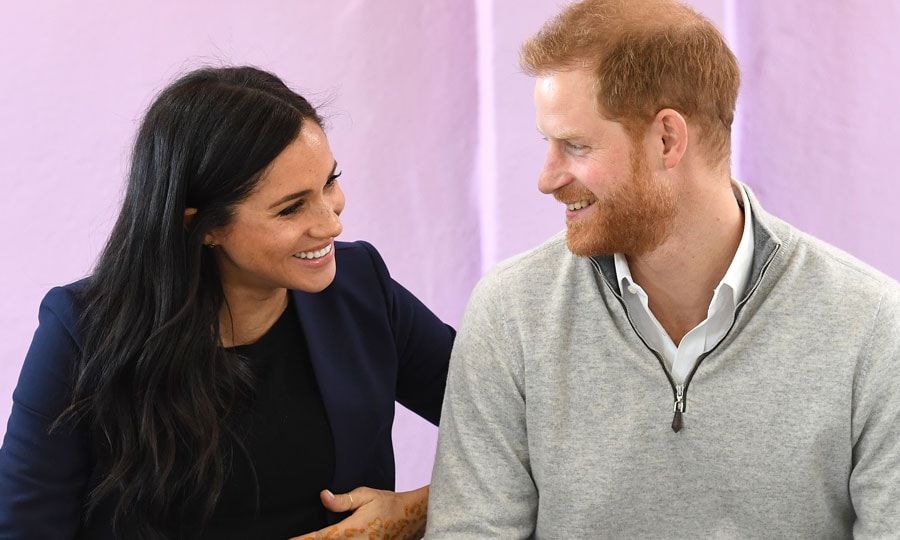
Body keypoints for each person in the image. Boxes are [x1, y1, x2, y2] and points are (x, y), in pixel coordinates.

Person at [426, 0, 900, 537]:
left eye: (575, 146)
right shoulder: (510, 313)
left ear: (667, 139)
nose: (547, 178)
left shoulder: (874, 326)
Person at [0, 66, 453, 539]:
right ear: (204, 226)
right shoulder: (80, 332)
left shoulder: (362, 288)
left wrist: (416, 510)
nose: (331, 223)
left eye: (329, 182)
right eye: (291, 207)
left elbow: (516, 426)